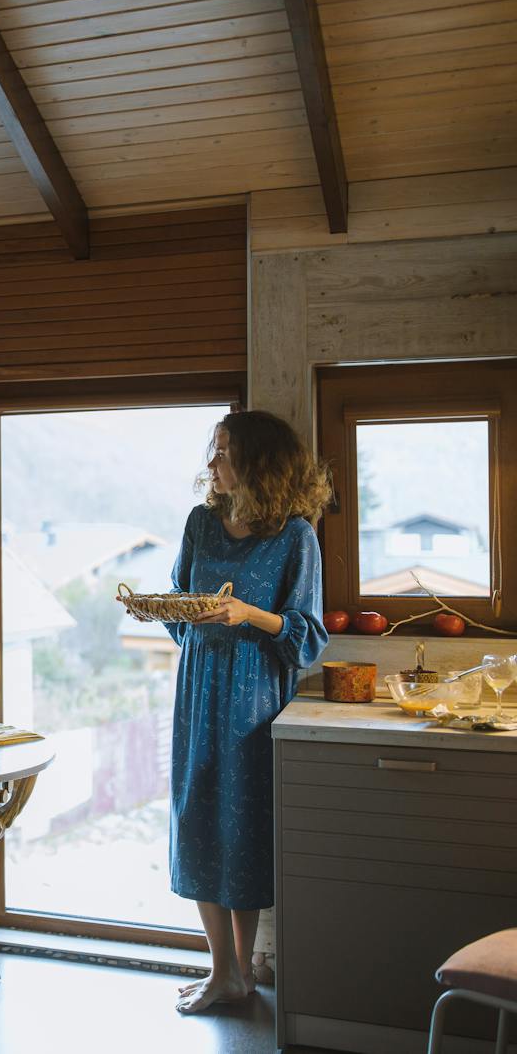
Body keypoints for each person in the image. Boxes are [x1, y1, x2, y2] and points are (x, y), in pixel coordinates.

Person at [160, 410, 330, 1013]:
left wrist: (246, 615)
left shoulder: (295, 536)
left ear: (258, 462)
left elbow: (308, 636)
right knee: (198, 818)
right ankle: (223, 970)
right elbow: (180, 599)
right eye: (214, 451)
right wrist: (188, 614)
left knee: (244, 828)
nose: (213, 465)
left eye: (224, 452)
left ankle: (242, 973)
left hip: (255, 699)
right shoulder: (201, 524)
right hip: (199, 691)